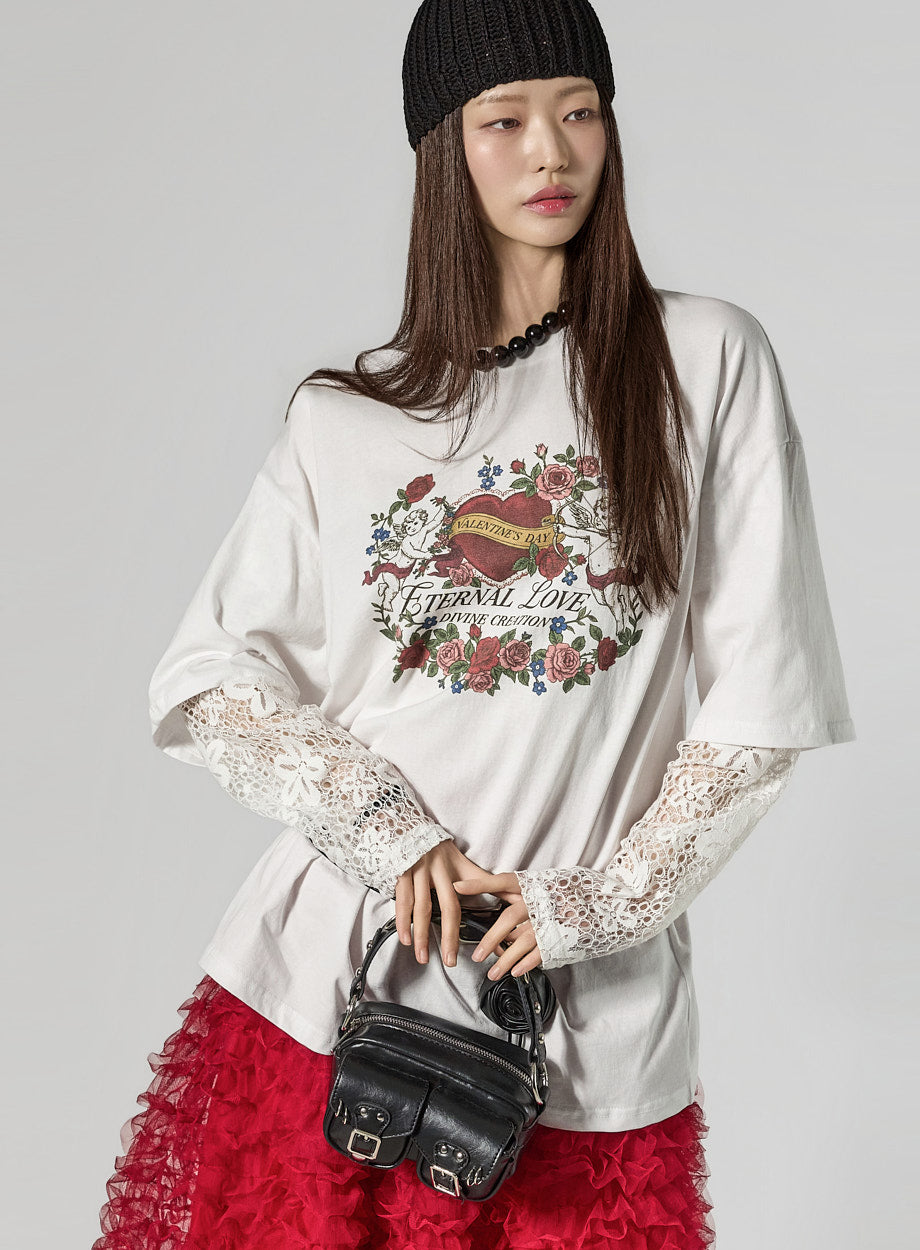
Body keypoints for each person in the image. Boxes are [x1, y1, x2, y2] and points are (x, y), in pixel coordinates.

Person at [92, 2, 856, 1247]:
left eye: (579, 111)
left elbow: (761, 705)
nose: (550, 151)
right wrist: (391, 835)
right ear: (443, 147)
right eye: (504, 121)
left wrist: (589, 905)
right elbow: (208, 676)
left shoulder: (702, 362)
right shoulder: (348, 419)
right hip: (333, 999)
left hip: (581, 1035)